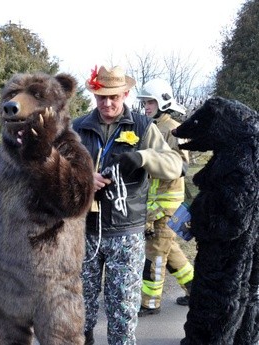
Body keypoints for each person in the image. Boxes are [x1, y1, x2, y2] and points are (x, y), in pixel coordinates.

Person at [72, 65, 183, 345]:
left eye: (114, 97)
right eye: (101, 97)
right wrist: (83, 178)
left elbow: (175, 165)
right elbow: (55, 170)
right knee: (79, 310)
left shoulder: (144, 127)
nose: (107, 103)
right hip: (84, 233)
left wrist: (144, 158)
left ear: (125, 94)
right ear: (94, 94)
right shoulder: (77, 127)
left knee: (122, 313)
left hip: (127, 234)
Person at [136, 79, 194, 316]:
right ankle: (196, 290)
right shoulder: (152, 126)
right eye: (145, 102)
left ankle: (150, 303)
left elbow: (182, 166)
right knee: (170, 252)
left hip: (165, 207)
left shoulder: (174, 129)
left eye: (150, 101)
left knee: (155, 256)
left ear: (162, 102)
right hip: (154, 206)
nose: (146, 106)